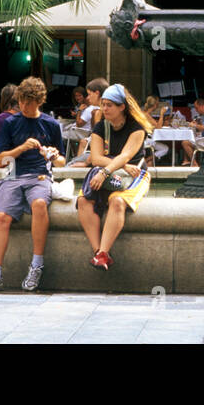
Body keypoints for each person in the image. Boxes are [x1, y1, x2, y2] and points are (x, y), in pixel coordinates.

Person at [0, 77, 65, 292]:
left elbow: (63, 161)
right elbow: (0, 159)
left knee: (39, 204)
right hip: (13, 175)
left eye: (29, 103)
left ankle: (36, 265)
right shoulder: (10, 123)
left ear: (39, 102)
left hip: (39, 175)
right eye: (22, 102)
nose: (24, 107)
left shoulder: (51, 124)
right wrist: (21, 148)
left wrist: (53, 155)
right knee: (2, 217)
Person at [76, 83, 155, 271]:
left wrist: (106, 170)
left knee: (117, 202)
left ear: (122, 107)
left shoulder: (137, 128)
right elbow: (95, 158)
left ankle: (103, 252)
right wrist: (119, 166)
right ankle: (99, 253)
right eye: (103, 104)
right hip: (116, 171)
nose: (104, 109)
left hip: (135, 175)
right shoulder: (101, 127)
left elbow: (126, 155)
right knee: (83, 201)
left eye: (109, 105)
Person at [181, 96, 204, 166]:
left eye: (196, 108)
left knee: (185, 142)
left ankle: (194, 164)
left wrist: (194, 125)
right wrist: (198, 124)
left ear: (201, 106)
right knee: (188, 139)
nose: (196, 110)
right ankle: (187, 161)